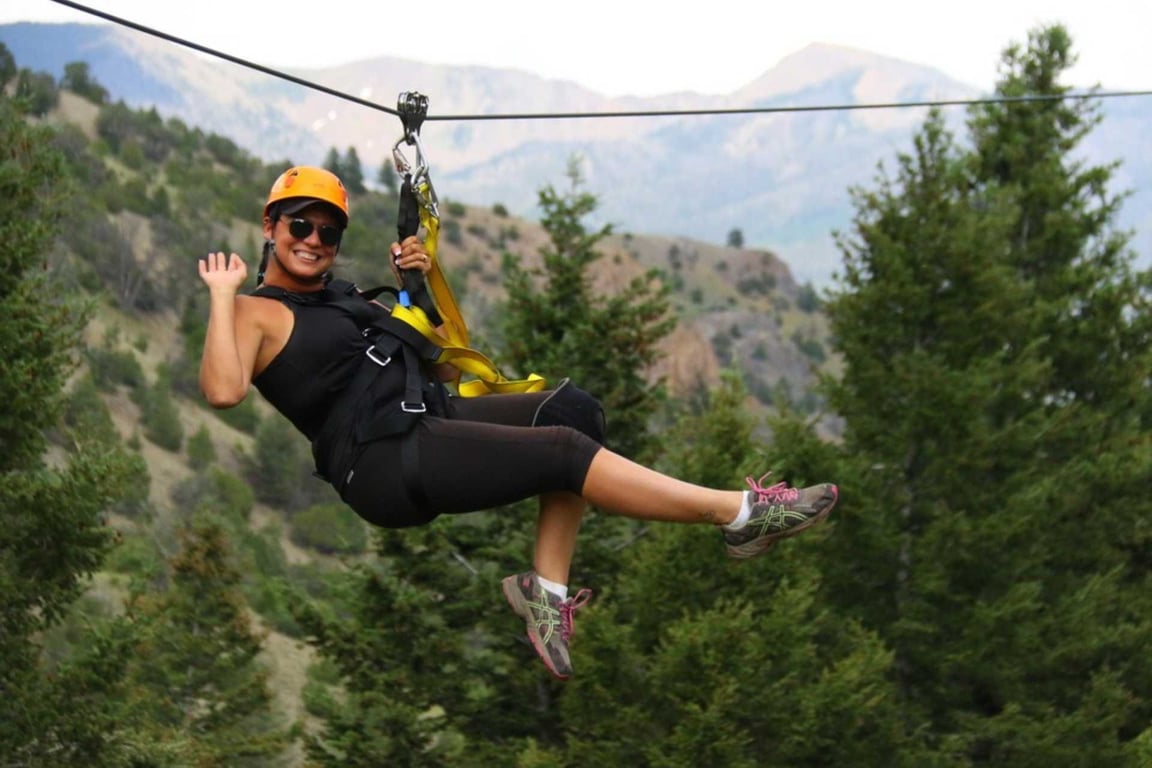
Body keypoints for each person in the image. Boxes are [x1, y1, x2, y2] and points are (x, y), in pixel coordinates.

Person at [199, 165, 839, 680]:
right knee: (561, 451)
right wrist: (223, 297)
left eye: (327, 233)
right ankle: (740, 515)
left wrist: (417, 287)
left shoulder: (348, 300)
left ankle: (548, 596)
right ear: (270, 226)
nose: (312, 241)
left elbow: (444, 363)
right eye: (299, 225)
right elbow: (223, 391)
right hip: (382, 461)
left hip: (428, 413)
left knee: (574, 411)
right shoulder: (256, 313)